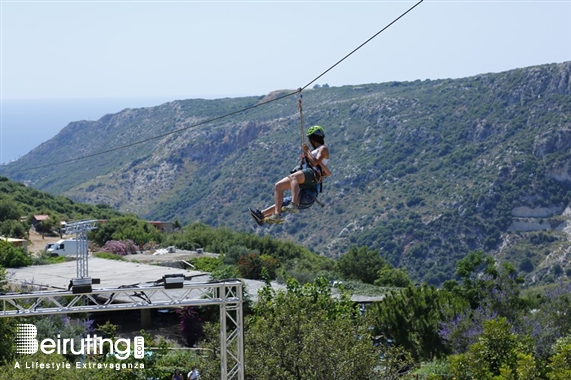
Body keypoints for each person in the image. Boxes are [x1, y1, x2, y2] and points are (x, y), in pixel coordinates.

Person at [250, 125, 330, 225]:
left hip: (311, 175)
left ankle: (293, 203)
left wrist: (307, 151)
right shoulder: (314, 150)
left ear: (313, 138)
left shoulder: (323, 148)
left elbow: (315, 162)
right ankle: (275, 215)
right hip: (306, 179)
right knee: (278, 186)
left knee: (294, 177)